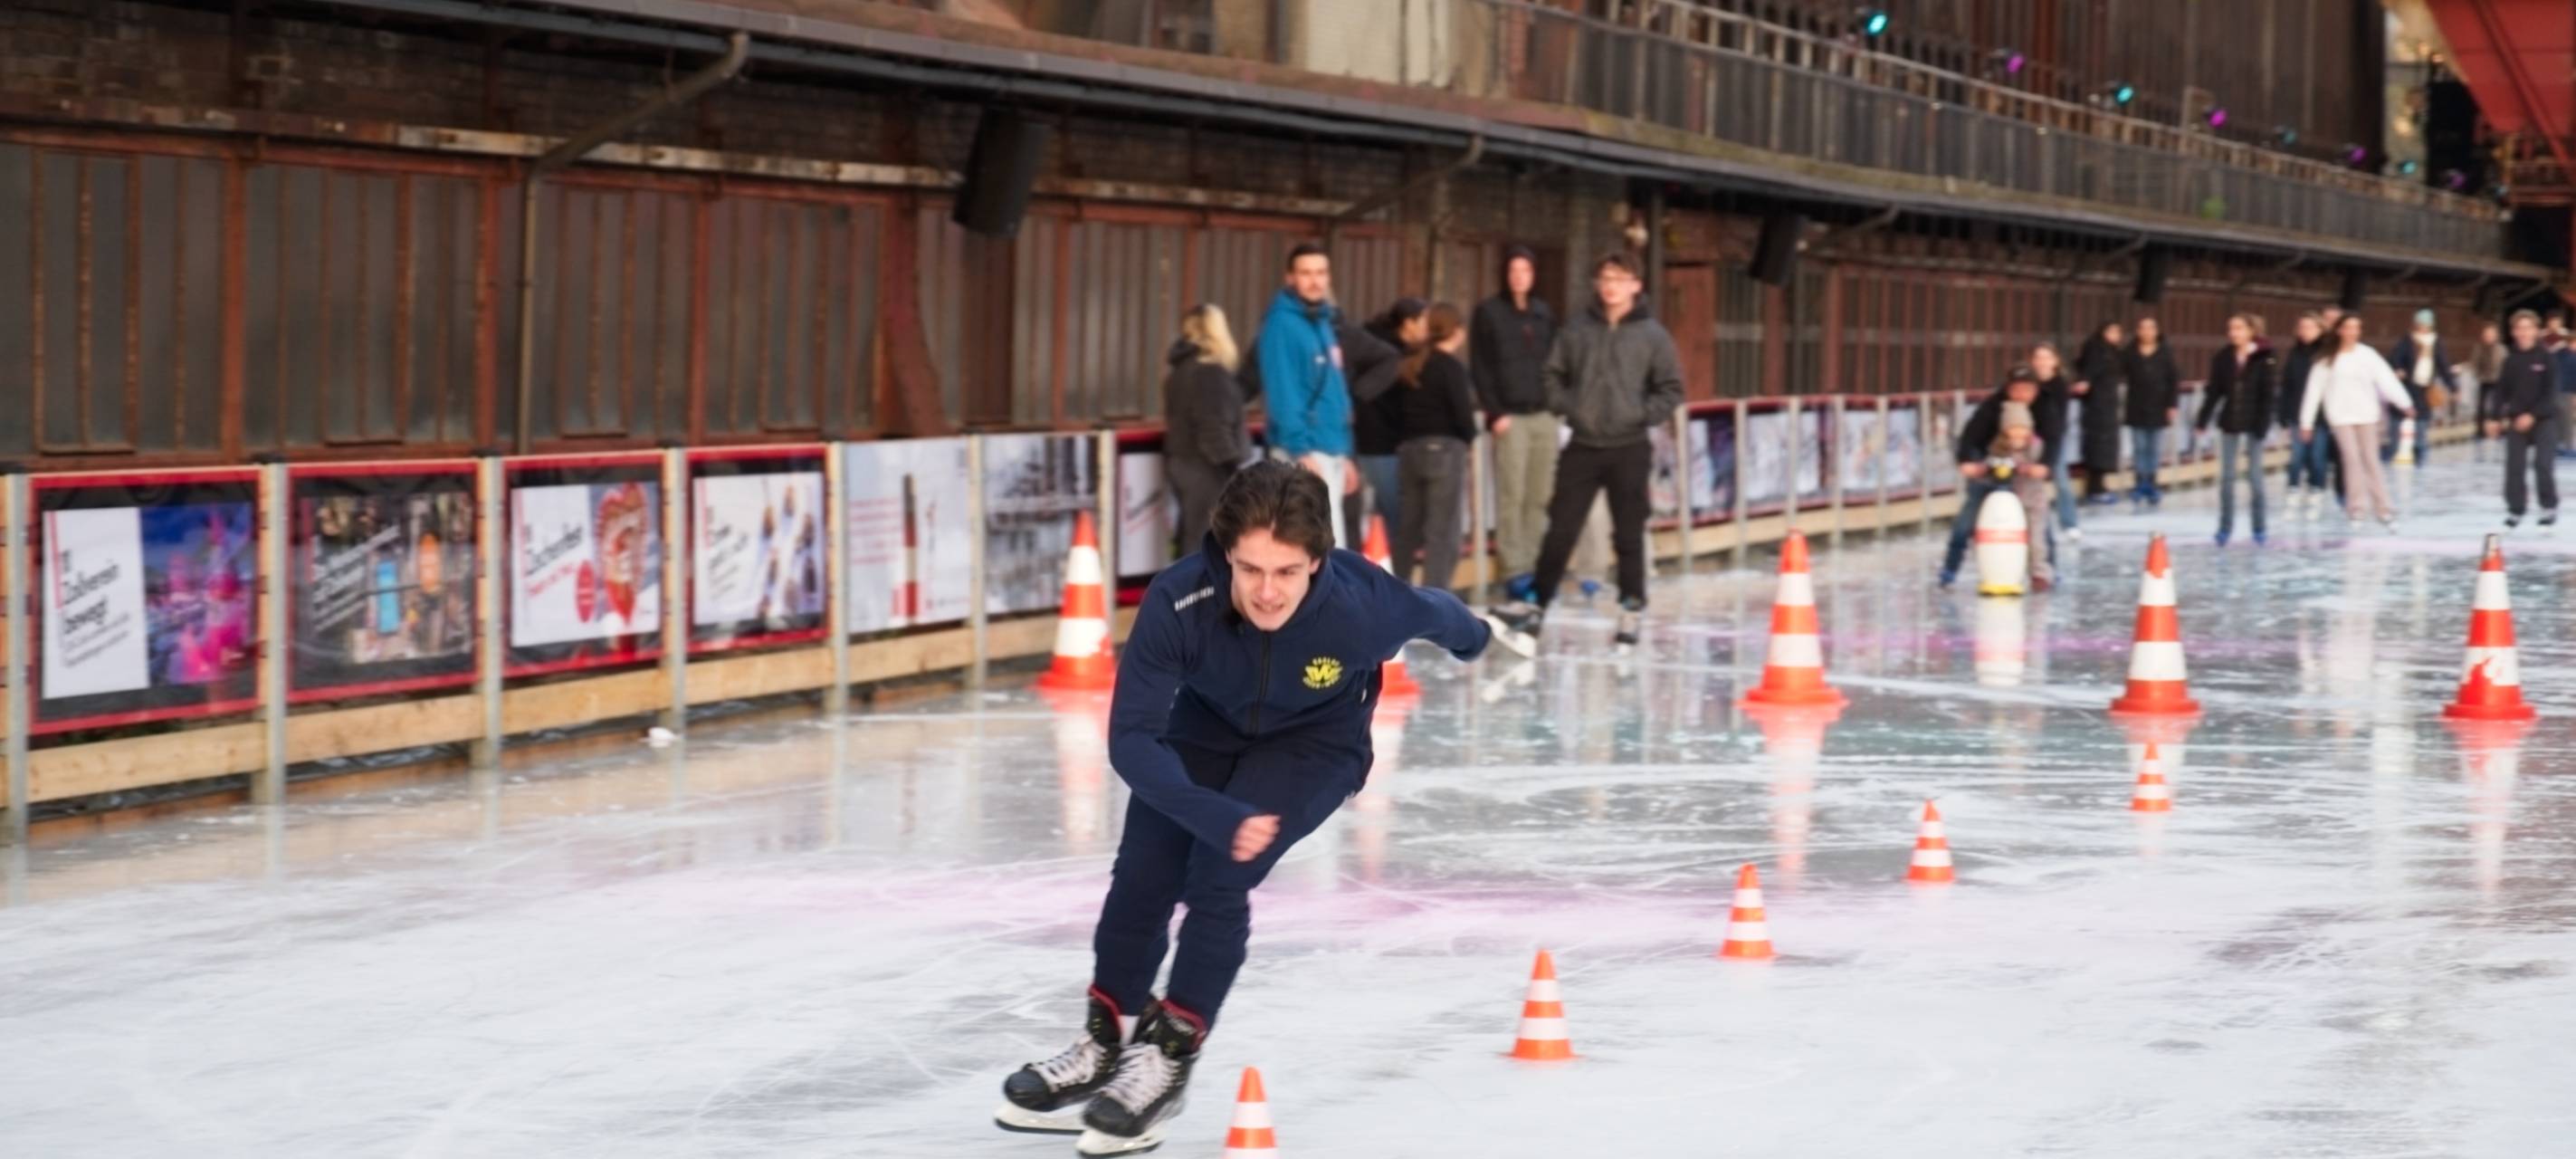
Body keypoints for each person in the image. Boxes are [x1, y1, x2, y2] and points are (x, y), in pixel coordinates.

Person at [994, 462, 1524, 1154]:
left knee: (1220, 875)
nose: (1267, 591)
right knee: (1143, 877)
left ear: (1317, 562)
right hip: (1203, 731)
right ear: (1225, 555)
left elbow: (1434, 612)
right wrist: (1208, 810)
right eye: (1249, 570)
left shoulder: (1361, 606)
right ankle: (1106, 1042)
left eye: (1286, 572)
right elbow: (1131, 740)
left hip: (1316, 745)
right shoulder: (1181, 598)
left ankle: (1168, 1057)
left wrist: (1476, 637)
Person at [1495, 252, 1684, 650]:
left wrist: (1639, 414)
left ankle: (1631, 608)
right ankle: (1536, 605)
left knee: (1629, 533)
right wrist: (1570, 407)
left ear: (1636, 285)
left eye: (1620, 278)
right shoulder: (1577, 328)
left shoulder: (1652, 335)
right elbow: (1552, 373)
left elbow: (1671, 389)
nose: (1611, 286)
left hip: (1629, 446)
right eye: (1605, 278)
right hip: (1582, 444)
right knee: (1560, 529)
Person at [1472, 246, 1561, 601]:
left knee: (1540, 495)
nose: (1519, 277)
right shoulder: (1489, 312)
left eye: (1525, 270)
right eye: (1513, 270)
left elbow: (1556, 361)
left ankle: (1537, 564)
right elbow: (1481, 366)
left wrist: (1556, 405)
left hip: (1543, 415)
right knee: (1512, 495)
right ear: (1505, 274)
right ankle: (1515, 569)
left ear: (1533, 275)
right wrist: (1495, 413)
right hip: (1510, 417)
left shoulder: (1543, 313)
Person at [1255, 244, 1357, 549]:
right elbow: (1283, 391)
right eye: (1306, 273)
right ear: (1290, 278)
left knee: (1330, 544)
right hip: (1304, 450)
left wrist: (1344, 452)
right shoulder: (1282, 325)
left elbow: (1333, 389)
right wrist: (1300, 450)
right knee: (1313, 545)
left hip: (1330, 445)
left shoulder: (1321, 320)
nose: (1315, 281)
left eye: (1321, 273)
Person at [1939, 365, 2056, 589]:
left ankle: (2046, 570)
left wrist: (2044, 465)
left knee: (2040, 527)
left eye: (2027, 390)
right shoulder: (1993, 407)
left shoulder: (2045, 407)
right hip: (1991, 471)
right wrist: (1968, 462)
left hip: (2026, 480)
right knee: (1966, 521)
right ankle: (1950, 568)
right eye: (2016, 390)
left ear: (2036, 390)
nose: (2021, 395)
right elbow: (1971, 436)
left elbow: (2053, 439)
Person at [1389, 303, 1478, 589]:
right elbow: (1463, 413)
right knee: (1442, 532)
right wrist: (1470, 438)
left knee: (1408, 528)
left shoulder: (1412, 363)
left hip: (1410, 450)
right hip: (1445, 450)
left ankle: (1395, 591)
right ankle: (1434, 597)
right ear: (1457, 332)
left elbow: (1398, 409)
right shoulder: (1452, 367)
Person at [2300, 313, 2415, 529]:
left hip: (2366, 415)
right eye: (2349, 327)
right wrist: (2306, 422)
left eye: (2357, 328)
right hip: (2340, 417)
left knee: (2371, 460)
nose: (2353, 332)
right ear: (2339, 330)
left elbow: (2386, 380)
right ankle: (2356, 507)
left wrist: (2404, 403)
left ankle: (2383, 508)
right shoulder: (2327, 359)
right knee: (2351, 459)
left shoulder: (2367, 355)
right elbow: (2313, 392)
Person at [1161, 304, 1250, 543]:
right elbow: (1213, 429)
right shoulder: (1209, 373)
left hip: (1183, 463)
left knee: (1193, 536)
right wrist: (1233, 468)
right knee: (1209, 539)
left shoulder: (1179, 372)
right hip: (1208, 469)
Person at [2196, 313, 2278, 547]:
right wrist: (2202, 420)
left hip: (2255, 422)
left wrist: (2263, 425)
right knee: (2227, 478)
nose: (2234, 333)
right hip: (2230, 420)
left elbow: (2268, 394)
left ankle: (2259, 527)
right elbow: (2214, 392)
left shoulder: (2265, 357)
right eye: (2231, 328)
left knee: (2255, 477)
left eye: (2239, 328)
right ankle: (2225, 527)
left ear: (2251, 331)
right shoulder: (2223, 357)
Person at [1351, 299, 1428, 548]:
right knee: (1392, 514)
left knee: (1378, 512)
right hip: (1380, 442)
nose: (1428, 328)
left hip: (1374, 441)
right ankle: (1388, 565)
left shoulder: (1384, 348)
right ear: (1408, 324)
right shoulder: (1390, 356)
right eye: (1424, 322)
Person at [2484, 309, 2561, 528]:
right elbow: (2501, 391)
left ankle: (2548, 506)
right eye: (2520, 329)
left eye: (2528, 328)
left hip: (2543, 419)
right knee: (2514, 466)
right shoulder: (2510, 360)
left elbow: (2551, 393)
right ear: (2514, 332)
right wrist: (2494, 418)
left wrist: (2533, 415)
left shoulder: (2547, 358)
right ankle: (2516, 509)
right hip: (2517, 420)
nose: (2524, 333)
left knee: (2543, 464)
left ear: (2536, 331)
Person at [1983, 400, 2056, 590]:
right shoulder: (1999, 448)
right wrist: (1992, 468)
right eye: (2013, 429)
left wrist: (2033, 469)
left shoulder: (2035, 446)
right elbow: (1991, 467)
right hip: (2010, 504)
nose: (2018, 434)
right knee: (2011, 540)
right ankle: (2011, 571)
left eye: (2022, 429)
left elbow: (2045, 465)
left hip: (2034, 501)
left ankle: (2039, 573)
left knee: (2036, 540)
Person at [2275, 312, 2338, 520]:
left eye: (2310, 327)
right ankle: (2292, 491)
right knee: (2297, 456)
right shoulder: (2295, 353)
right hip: (2297, 413)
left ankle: (2316, 492)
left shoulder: (2327, 354)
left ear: (2320, 330)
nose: (2305, 331)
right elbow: (2287, 385)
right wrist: (2283, 413)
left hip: (2321, 416)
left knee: (2318, 457)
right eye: (2302, 327)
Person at [2122, 317, 2181, 507]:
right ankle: (2140, 482)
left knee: (2154, 447)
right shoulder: (2130, 352)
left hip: (2159, 406)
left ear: (2157, 331)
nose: (2147, 332)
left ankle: (2152, 482)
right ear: (2138, 331)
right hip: (2136, 406)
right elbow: (2118, 371)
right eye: (2143, 328)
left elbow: (2173, 379)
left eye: (2151, 328)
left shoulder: (2165, 353)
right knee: (2139, 446)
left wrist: (2172, 405)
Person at [2383, 309, 2454, 465]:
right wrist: (2398, 369)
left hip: (2425, 387)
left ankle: (2420, 451)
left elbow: (2443, 364)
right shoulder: (2407, 340)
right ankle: (2393, 448)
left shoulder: (2435, 342)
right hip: (2407, 385)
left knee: (2422, 419)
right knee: (2398, 415)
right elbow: (2394, 358)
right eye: (2420, 324)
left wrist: (2452, 385)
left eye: (2425, 324)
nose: (2423, 327)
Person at [2028, 342, 2080, 540]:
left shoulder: (2060, 385)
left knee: (2062, 480)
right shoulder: (2029, 383)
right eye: (2038, 358)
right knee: (2030, 483)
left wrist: (2052, 436)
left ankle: (2069, 523)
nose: (2042, 362)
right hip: (2030, 438)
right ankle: (2035, 524)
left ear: (2055, 361)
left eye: (2046, 358)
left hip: (2054, 437)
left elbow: (2059, 415)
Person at [2073, 321, 2127, 504]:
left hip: (2108, 404)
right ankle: (2094, 488)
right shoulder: (2096, 349)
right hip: (2097, 405)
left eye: (2118, 331)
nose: (2115, 335)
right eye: (2112, 331)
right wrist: (2085, 382)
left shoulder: (2114, 352)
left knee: (2106, 446)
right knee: (2097, 445)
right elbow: (2089, 371)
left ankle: (2100, 485)